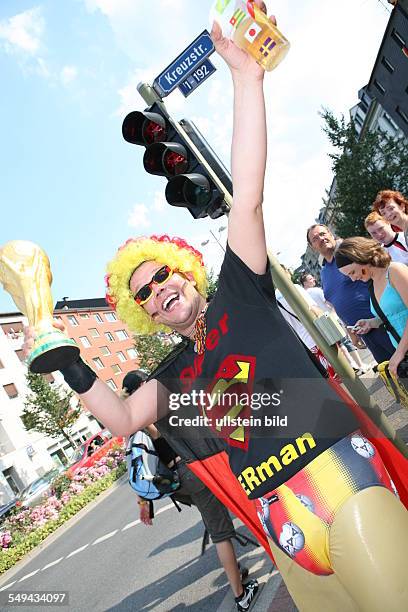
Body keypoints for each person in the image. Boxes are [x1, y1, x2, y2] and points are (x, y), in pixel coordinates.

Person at [23, 6, 408, 611]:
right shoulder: (172, 375)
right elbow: (123, 421)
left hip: (342, 480)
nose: (158, 290)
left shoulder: (239, 287)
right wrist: (71, 366)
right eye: (144, 292)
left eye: (163, 275)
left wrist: (246, 81)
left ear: (186, 269)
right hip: (282, 527)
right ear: (142, 309)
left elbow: (248, 192)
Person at [121, 370, 254, 607]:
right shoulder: (154, 411)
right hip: (193, 471)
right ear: (143, 384)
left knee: (218, 517)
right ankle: (241, 595)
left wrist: (144, 504)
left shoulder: (133, 423)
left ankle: (235, 569)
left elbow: (141, 465)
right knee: (221, 531)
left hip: (178, 485)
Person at [306, 223, 395, 364]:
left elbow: (381, 272)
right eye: (315, 238)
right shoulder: (323, 273)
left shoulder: (349, 252)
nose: (321, 238)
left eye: (323, 234)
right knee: (396, 375)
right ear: (312, 246)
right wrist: (350, 330)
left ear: (330, 233)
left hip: (385, 322)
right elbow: (336, 302)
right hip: (365, 331)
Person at [334, 237, 408, 379]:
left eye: (352, 272)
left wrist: (399, 352)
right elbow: (394, 314)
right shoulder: (372, 283)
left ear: (361, 257)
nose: (353, 279)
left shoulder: (394, 270)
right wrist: (372, 323)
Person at [299, 272, 370, 374]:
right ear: (304, 283)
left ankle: (351, 365)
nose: (314, 279)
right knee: (346, 342)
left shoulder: (302, 295)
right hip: (330, 318)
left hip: (320, 323)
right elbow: (330, 303)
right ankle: (360, 365)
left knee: (338, 346)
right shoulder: (316, 291)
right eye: (310, 279)